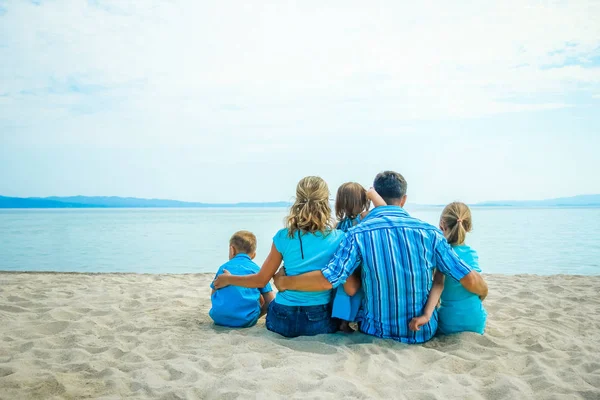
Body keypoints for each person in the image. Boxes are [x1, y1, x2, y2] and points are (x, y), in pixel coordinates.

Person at [273, 171, 488, 344]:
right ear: (404, 200)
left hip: (376, 331)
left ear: (375, 196)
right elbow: (468, 279)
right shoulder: (430, 233)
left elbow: (329, 279)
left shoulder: (358, 234)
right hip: (421, 333)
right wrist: (483, 291)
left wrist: (284, 281)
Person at [213, 176, 345, 337]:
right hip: (317, 319)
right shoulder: (338, 237)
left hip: (282, 319)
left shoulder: (284, 236)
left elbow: (261, 280)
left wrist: (229, 279)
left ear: (297, 201)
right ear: (325, 203)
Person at [409, 202, 487, 335]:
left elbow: (438, 284)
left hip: (450, 321)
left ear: (441, 225)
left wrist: (426, 315)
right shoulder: (472, 253)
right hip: (477, 320)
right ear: (468, 227)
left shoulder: (442, 254)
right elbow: (477, 285)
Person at [209, 231, 275, 328]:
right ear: (253, 255)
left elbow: (213, 293)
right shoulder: (256, 270)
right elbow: (270, 301)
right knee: (259, 295)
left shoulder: (223, 268)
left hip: (219, 318)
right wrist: (258, 314)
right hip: (246, 320)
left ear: (232, 250)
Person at [331, 182, 370, 332]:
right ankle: (359, 321)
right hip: (362, 262)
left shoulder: (340, 225)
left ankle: (343, 322)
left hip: (346, 265)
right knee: (362, 292)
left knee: (343, 291)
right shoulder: (365, 218)